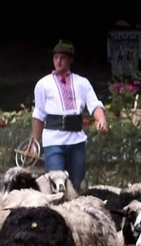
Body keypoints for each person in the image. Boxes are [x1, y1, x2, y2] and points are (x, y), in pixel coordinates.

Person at [28, 40, 108, 191]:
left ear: (70, 59)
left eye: (62, 58)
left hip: (76, 140)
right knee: (56, 183)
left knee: (75, 183)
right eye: (55, 57)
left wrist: (101, 119)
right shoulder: (43, 84)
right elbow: (39, 114)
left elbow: (95, 104)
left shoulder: (82, 83)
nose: (58, 61)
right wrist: (35, 142)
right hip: (53, 140)